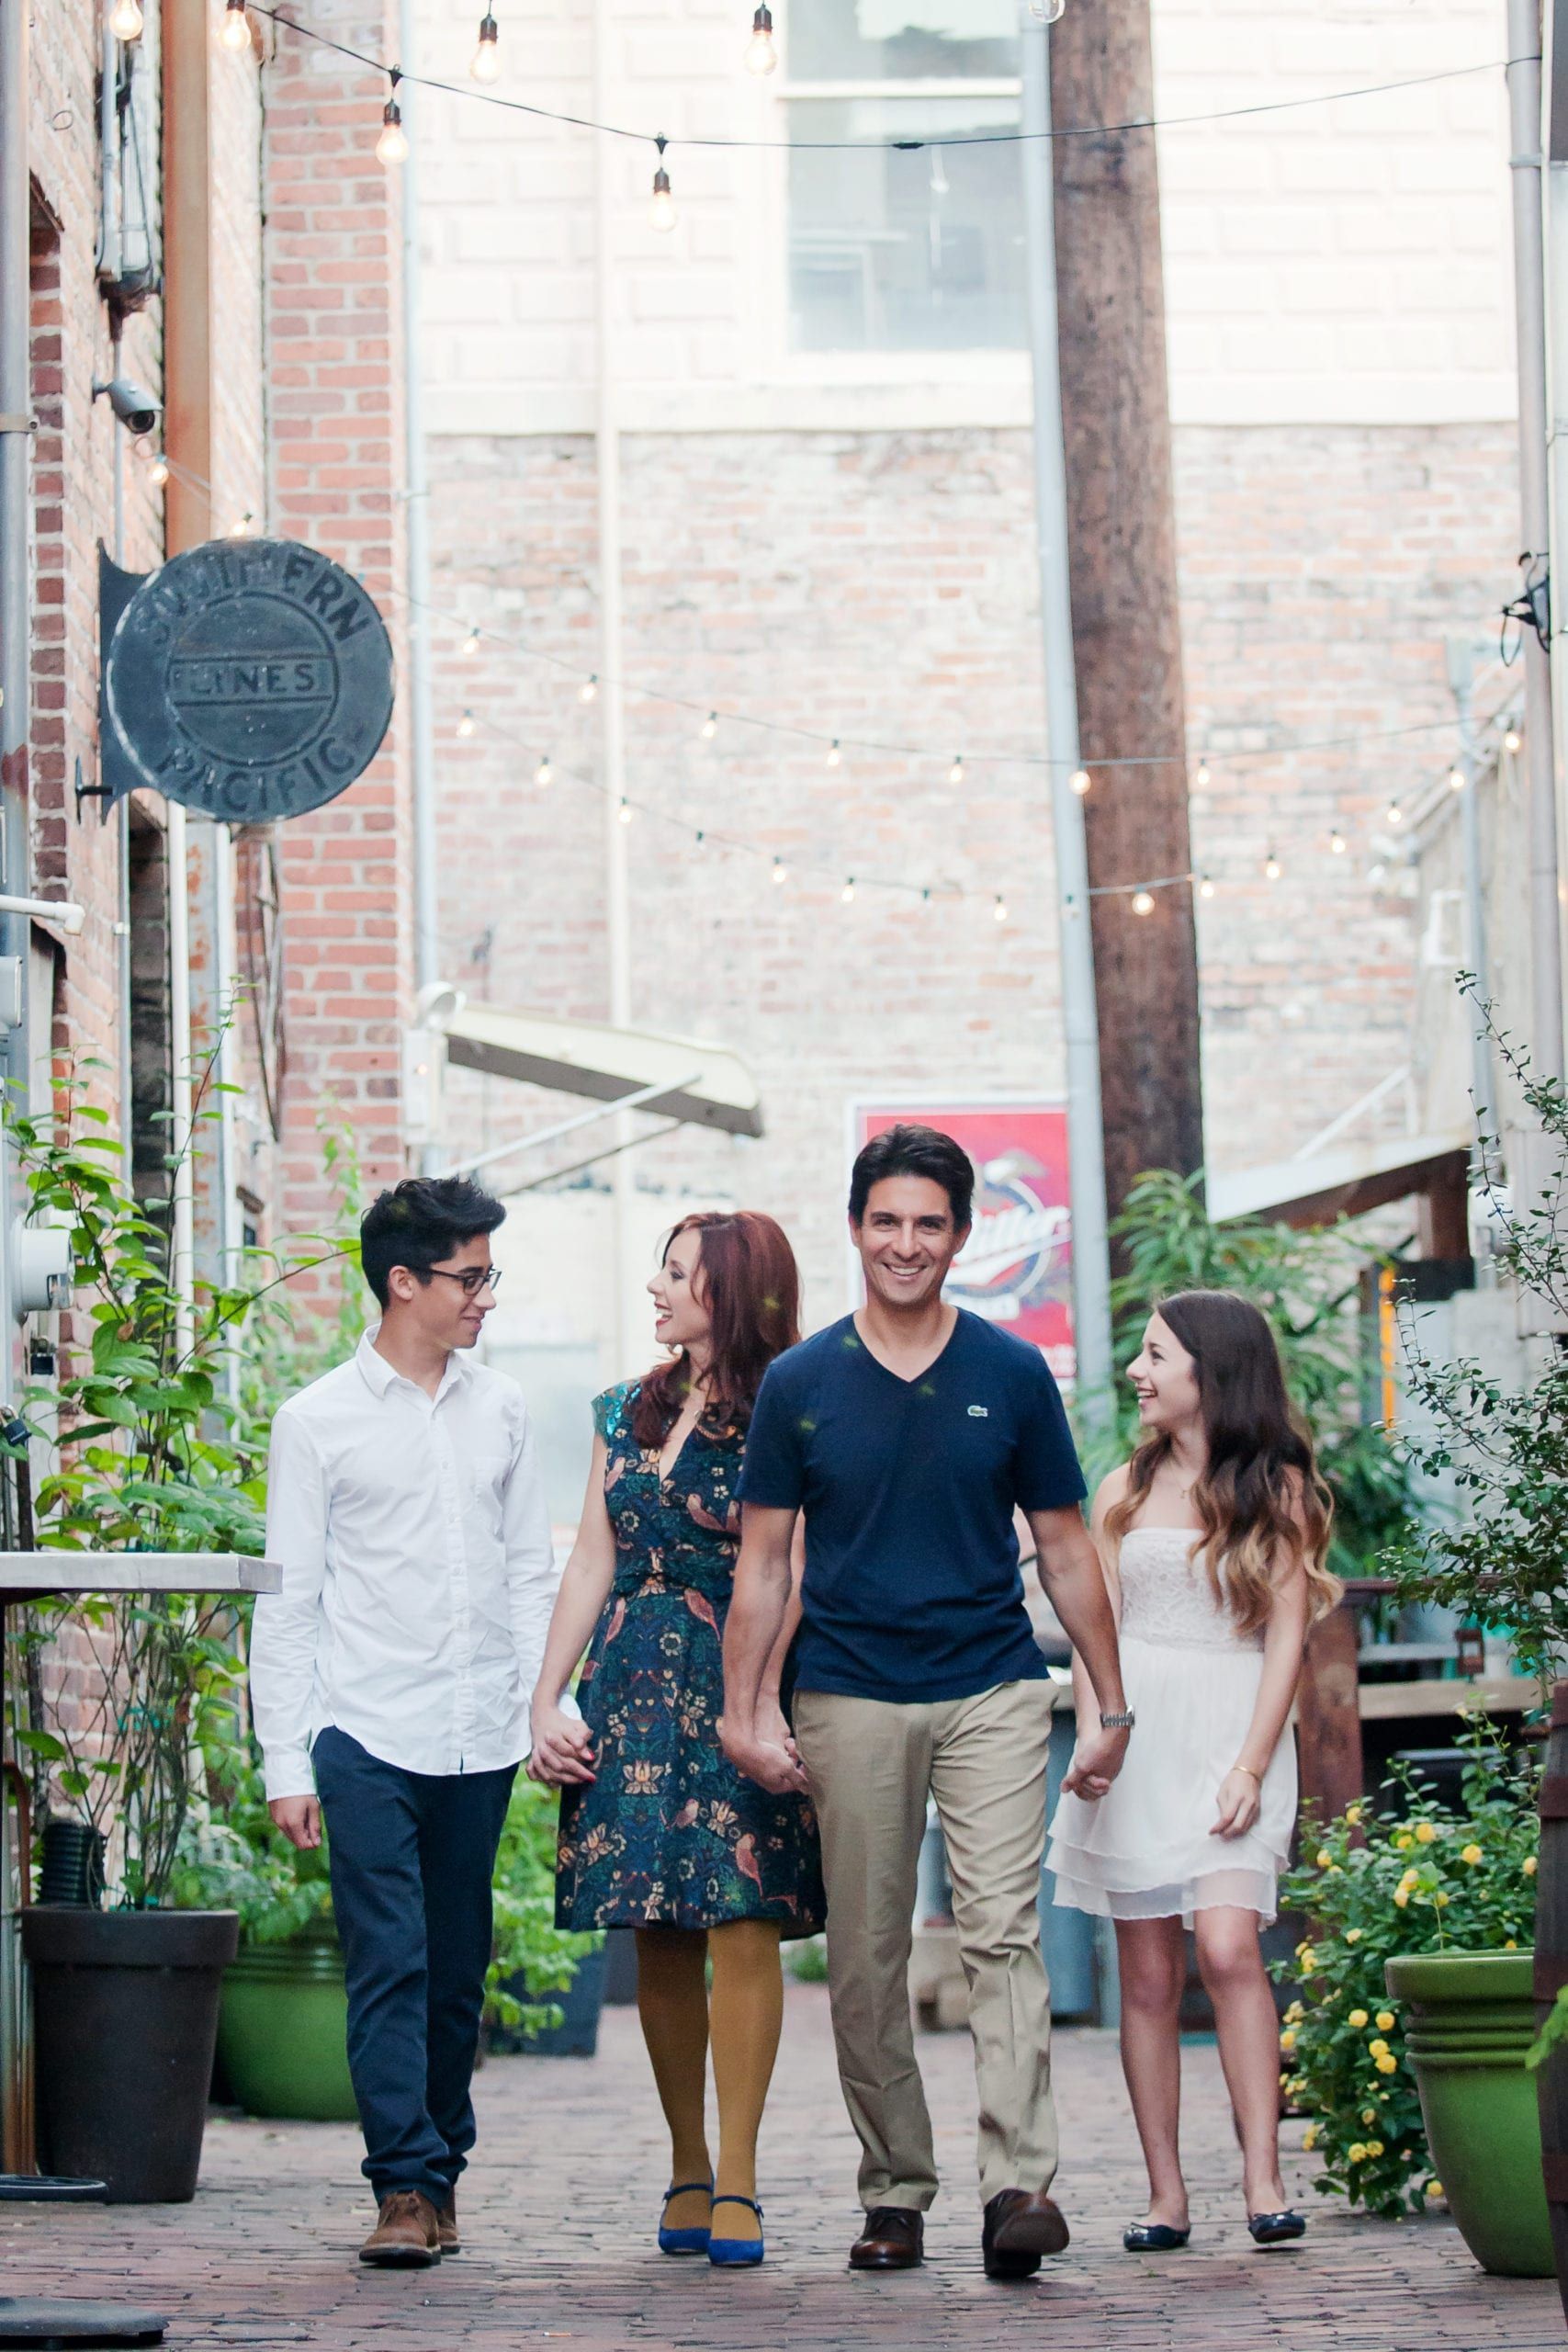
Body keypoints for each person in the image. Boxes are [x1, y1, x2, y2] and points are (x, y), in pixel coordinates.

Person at [720, 1124, 1131, 2281]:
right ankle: (895, 2189)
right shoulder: (802, 1384)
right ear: (856, 1228)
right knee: (864, 1955)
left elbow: (1065, 1547)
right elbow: (764, 1566)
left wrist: (1111, 1702)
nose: (907, 1243)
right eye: (887, 1221)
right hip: (846, 1693)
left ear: (961, 1234)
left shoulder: (1008, 1374)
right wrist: (742, 1710)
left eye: (931, 1223)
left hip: (993, 1686)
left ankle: (1019, 2185)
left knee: (1005, 1932)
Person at [251, 1176, 560, 2269]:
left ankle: (443, 2170)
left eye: (488, 1275)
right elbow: (288, 1599)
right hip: (363, 1727)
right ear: (403, 1281)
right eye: (470, 1277)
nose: (486, 1297)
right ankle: (401, 2186)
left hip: (478, 1729)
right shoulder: (316, 1421)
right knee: (387, 1956)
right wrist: (285, 1758)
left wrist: (542, 1699)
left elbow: (533, 1571)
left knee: (455, 1965)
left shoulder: (504, 1407)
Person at [528, 1212, 825, 2271]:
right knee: (653, 1926)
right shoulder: (624, 1406)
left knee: (740, 1918)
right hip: (630, 1685)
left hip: (735, 1682)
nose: (658, 1289)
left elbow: (787, 1569)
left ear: (732, 1292)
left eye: (678, 1274)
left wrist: (764, 1704)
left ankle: (741, 2176)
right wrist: (546, 1698)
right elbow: (588, 1561)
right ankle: (688, 2162)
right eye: (660, 1271)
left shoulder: (789, 1414)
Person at [1047, 1289, 1340, 2252]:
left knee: (1227, 1946)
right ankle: (1166, 2193)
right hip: (1138, 1731)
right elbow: (1102, 1633)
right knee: (1144, 1975)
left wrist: (1254, 1766)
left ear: (1210, 1372)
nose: (1138, 1371)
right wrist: (1098, 1733)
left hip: (1232, 1727)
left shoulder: (1281, 1492)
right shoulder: (1118, 1490)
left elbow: (1289, 1641)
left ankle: (1264, 2178)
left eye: (1155, 1354)